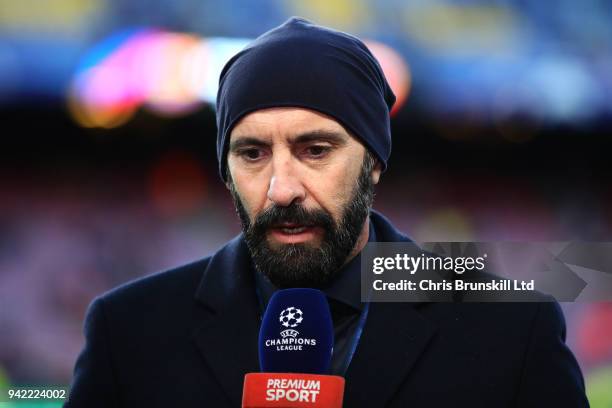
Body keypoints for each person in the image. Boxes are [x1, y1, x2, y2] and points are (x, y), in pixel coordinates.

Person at [65, 17, 589, 407]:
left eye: (315, 150)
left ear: (374, 162)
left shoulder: (512, 328)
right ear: (225, 169)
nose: (282, 188)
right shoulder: (129, 330)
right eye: (252, 153)